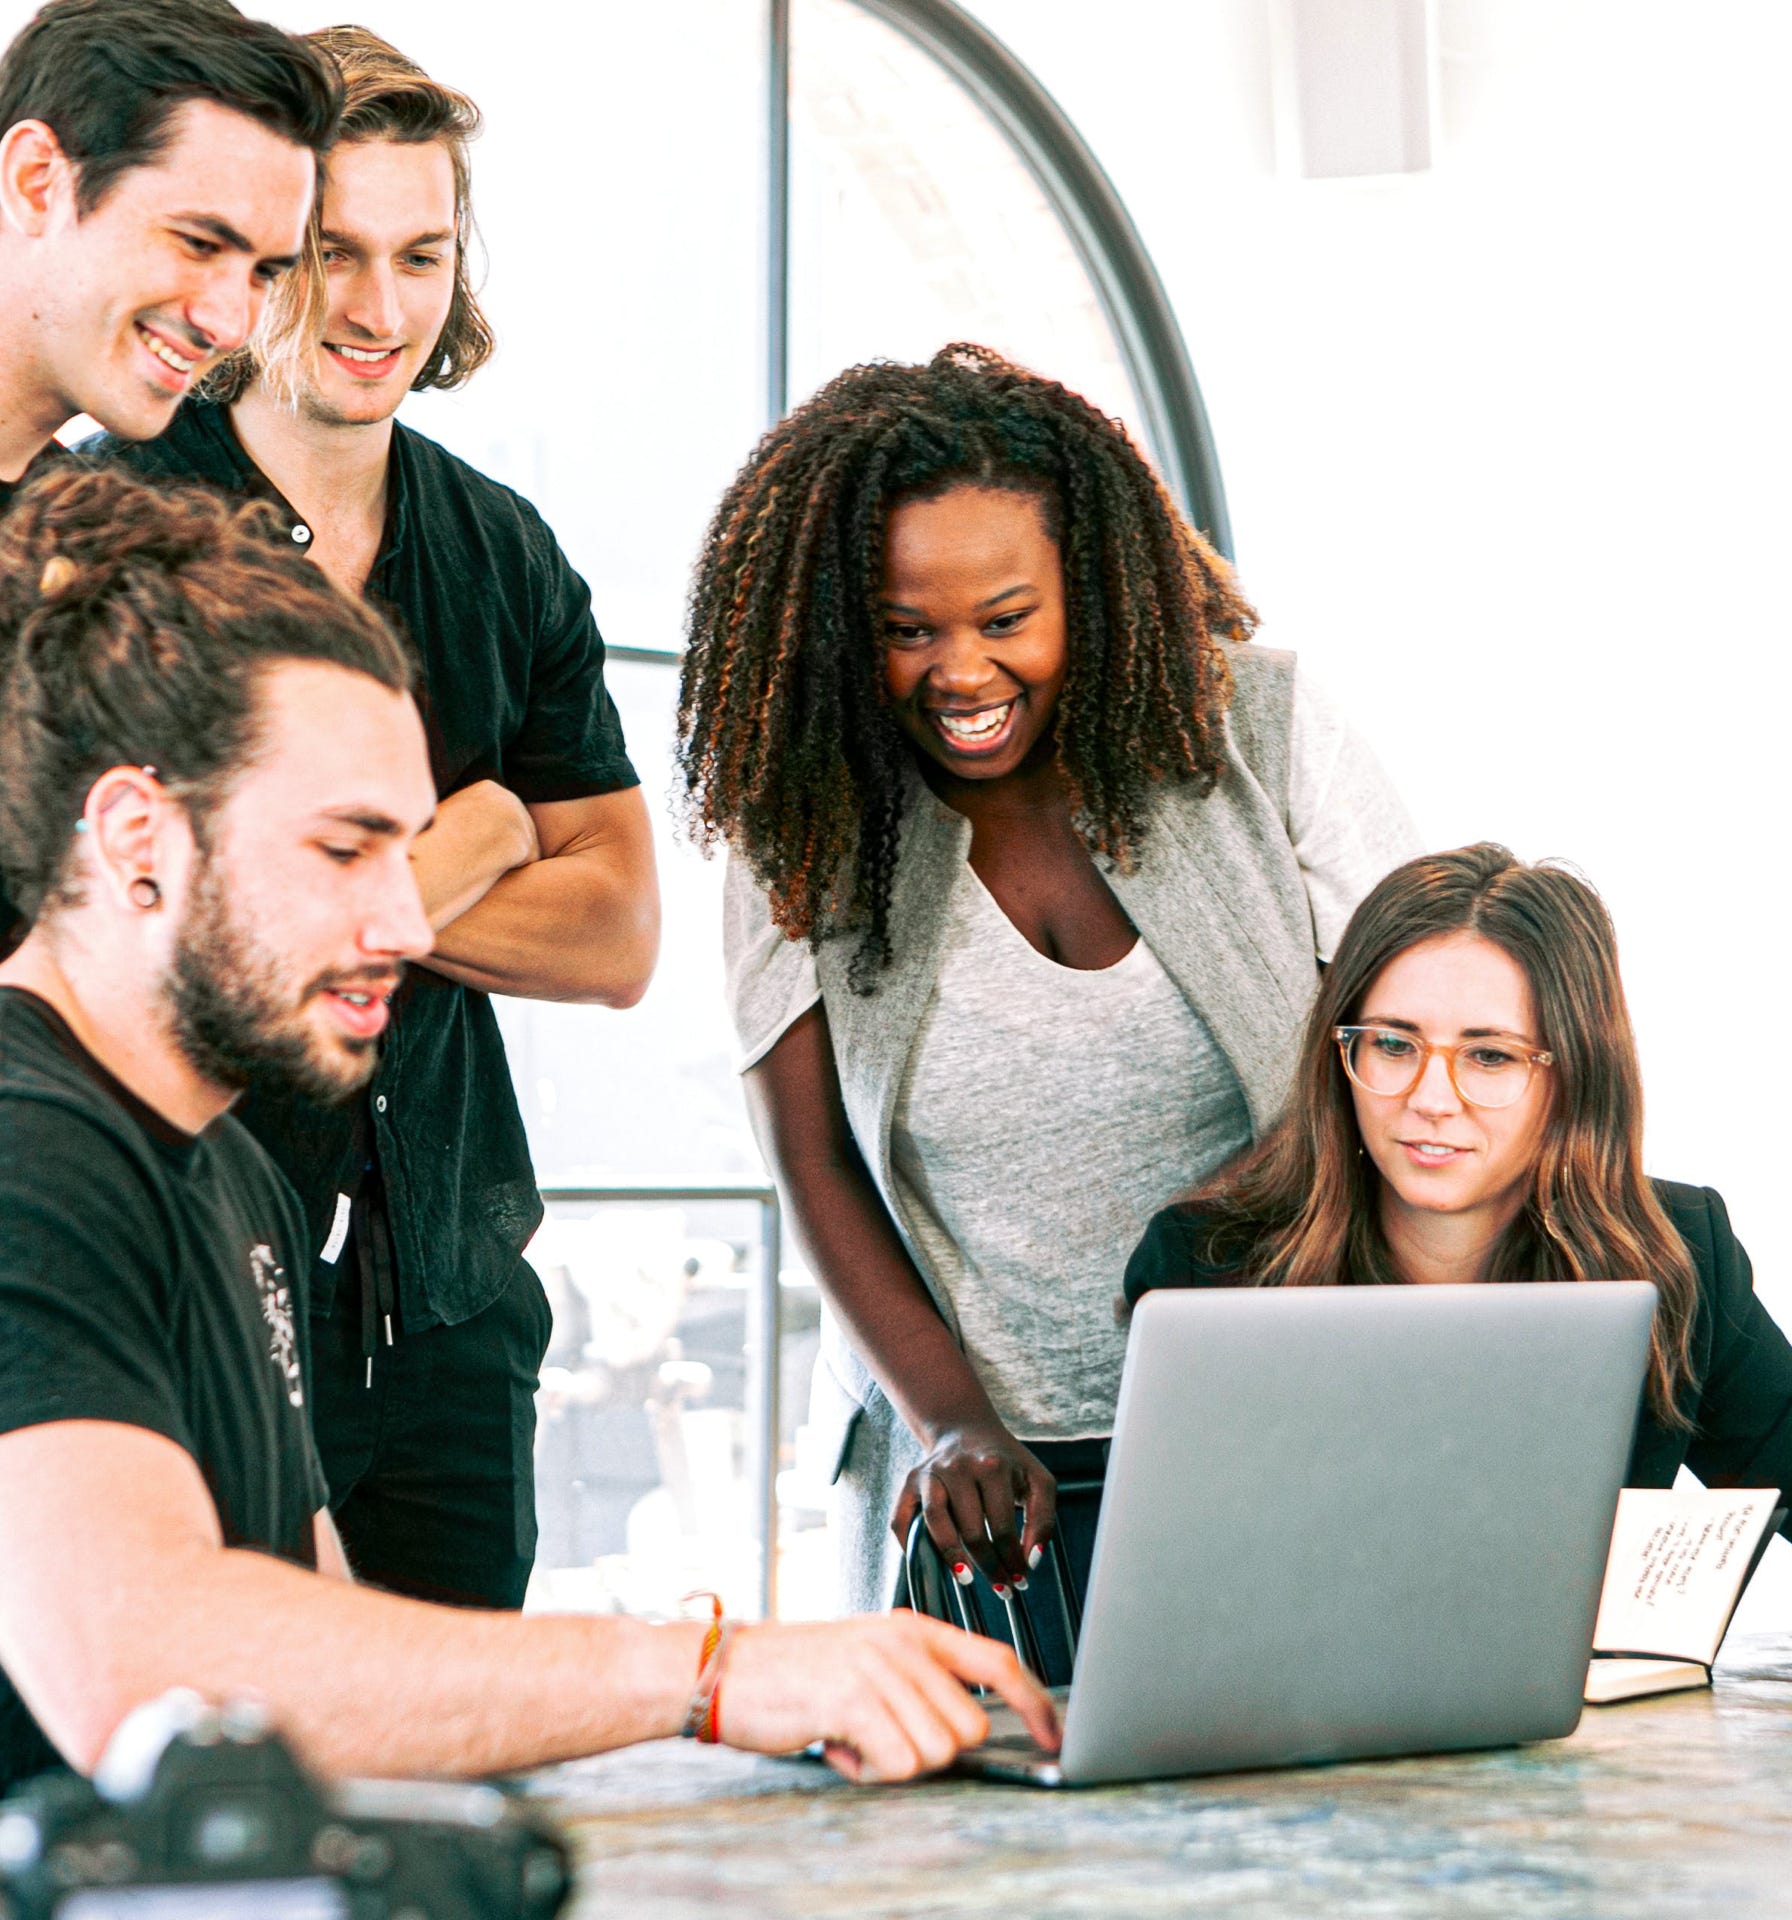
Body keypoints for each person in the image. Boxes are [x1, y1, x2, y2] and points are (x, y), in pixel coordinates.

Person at [0, 462, 1057, 1796]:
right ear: (137, 835)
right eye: (345, 851)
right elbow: (147, 1672)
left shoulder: (231, 1177)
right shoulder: (26, 1155)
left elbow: (329, 1652)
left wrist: (744, 1683)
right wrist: (714, 1674)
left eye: (411, 850)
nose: (406, 922)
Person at [679, 344, 1420, 1634]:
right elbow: (814, 1165)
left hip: (1278, 1423)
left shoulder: (1263, 731)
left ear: (1093, 588)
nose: (959, 674)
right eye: (907, 631)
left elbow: (1406, 1059)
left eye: (1005, 619)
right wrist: (952, 1423)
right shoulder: (798, 812)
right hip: (978, 1484)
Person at [96, 26, 659, 1611]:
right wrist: (479, 832)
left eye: (422, 254)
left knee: (455, 1807)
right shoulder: (116, 526)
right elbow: (131, 929)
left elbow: (619, 934)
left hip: (453, 1314)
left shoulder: (505, 551)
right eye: (331, 253)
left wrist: (329, 885)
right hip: (183, 1293)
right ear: (259, 260)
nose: (377, 307)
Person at [1125, 842, 1792, 1509]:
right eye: (1393, 1044)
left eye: (1490, 1056)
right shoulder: (1202, 1271)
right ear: (1340, 1053)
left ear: (1576, 1074)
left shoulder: (1680, 1254)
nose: (1431, 1099)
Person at [0, 0, 338, 952]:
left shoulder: (87, 543)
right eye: (198, 243)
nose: (230, 322)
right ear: (37, 182)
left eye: (264, 270)